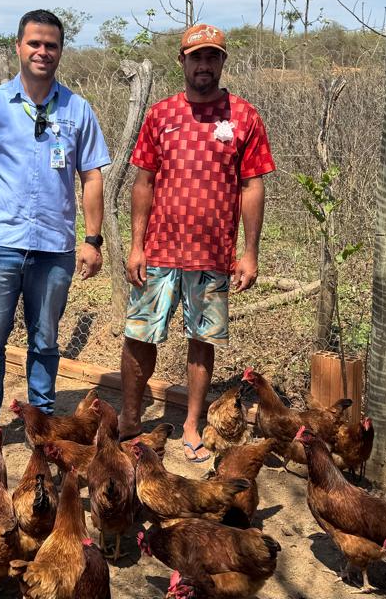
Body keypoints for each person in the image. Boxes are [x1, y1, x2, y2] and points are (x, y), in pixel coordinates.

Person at [0, 9, 111, 471]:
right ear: (18, 46)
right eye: (34, 43)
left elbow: (92, 177)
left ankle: (43, 424)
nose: (42, 52)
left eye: (51, 45)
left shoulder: (77, 110)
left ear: (61, 51)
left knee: (46, 339)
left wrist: (92, 240)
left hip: (54, 248)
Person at [117, 23, 275, 463]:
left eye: (212, 56)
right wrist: (136, 245)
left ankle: (191, 424)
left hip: (213, 254)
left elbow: (252, 186)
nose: (204, 65)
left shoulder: (243, 116)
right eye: (196, 57)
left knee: (202, 339)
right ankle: (130, 419)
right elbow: (144, 182)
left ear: (222, 61)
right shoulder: (161, 114)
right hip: (159, 250)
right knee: (139, 335)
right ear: (182, 61)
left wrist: (249, 252)